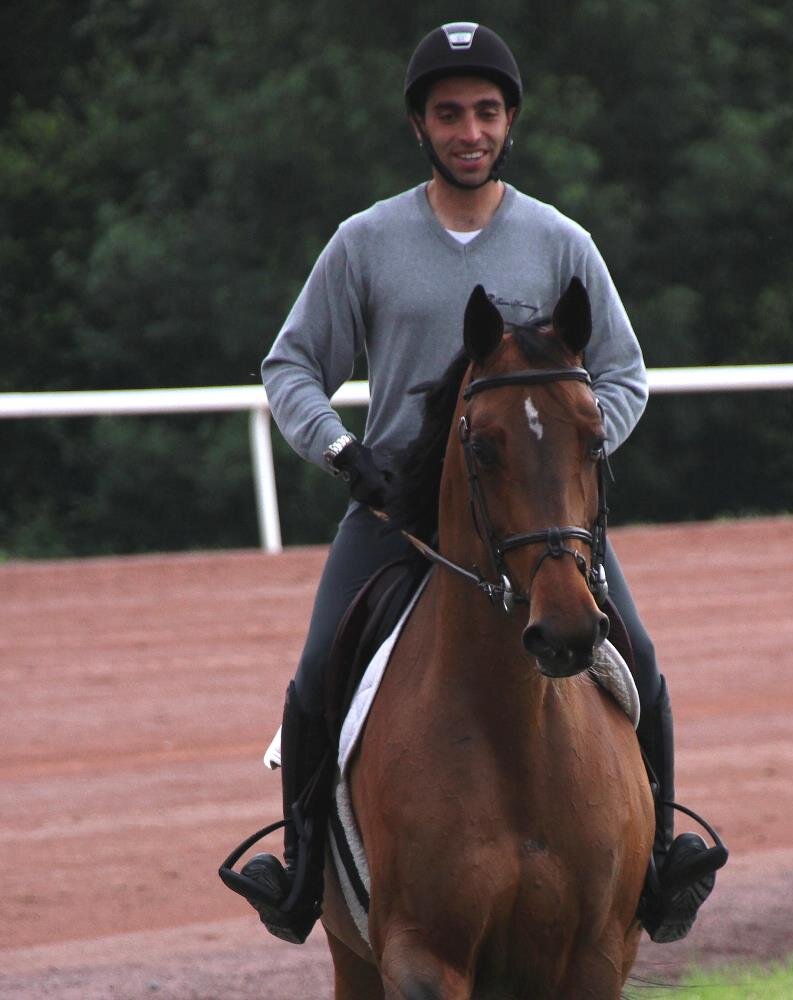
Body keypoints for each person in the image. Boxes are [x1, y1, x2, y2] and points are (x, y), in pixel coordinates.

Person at [228, 21, 723, 947]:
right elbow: (290, 366)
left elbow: (624, 373)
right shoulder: (365, 241)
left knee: (643, 669)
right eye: (449, 113)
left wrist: (565, 457)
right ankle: (300, 873)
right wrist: (342, 453)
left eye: (486, 112)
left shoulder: (560, 240)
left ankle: (658, 866)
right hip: (398, 515)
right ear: (420, 125)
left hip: (544, 523)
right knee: (311, 682)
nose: (470, 130)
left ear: (509, 123)